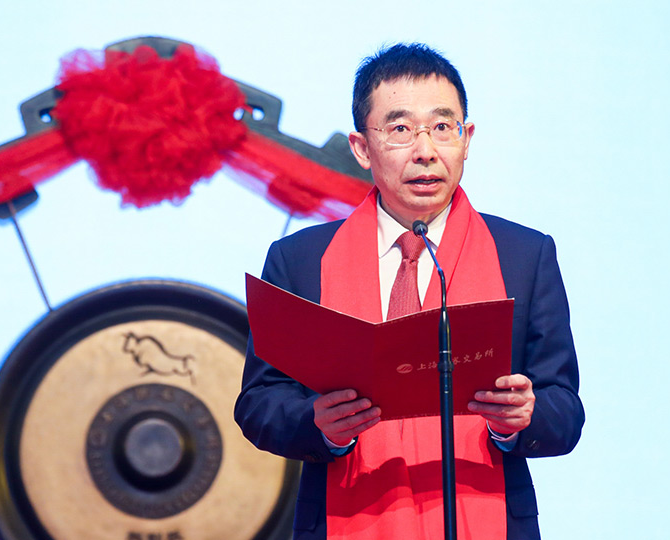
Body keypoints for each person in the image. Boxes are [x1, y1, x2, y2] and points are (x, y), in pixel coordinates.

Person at [235, 43, 584, 540]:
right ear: (362, 148)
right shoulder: (301, 261)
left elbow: (565, 410)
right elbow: (259, 404)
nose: (426, 151)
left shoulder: (525, 256)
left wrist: (522, 417)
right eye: (400, 129)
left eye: (443, 127)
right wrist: (319, 424)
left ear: (466, 139)